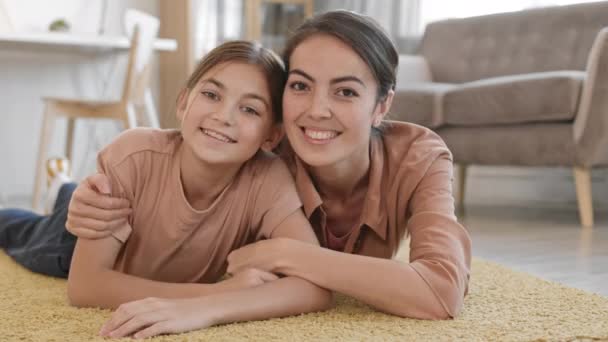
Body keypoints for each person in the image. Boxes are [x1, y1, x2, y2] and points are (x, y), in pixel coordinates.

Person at [69, 9, 471, 335]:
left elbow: (439, 293)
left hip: (192, 254)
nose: (316, 110)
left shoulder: (419, 157)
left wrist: (283, 255)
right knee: (41, 229)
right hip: (135, 227)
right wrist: (84, 192)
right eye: (300, 86)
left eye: (345, 91)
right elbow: (184, 145)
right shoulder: (260, 143)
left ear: (382, 105)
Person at [0, 41, 332, 339]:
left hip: (119, 210)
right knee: (16, 228)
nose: (223, 116)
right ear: (184, 102)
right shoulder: (134, 154)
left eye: (250, 109)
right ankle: (63, 192)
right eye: (212, 95)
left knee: (74, 194)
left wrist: (217, 305)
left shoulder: (269, 178)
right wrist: (218, 294)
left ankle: (63, 186)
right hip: (71, 240)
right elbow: (85, 287)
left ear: (271, 137)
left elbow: (315, 285)